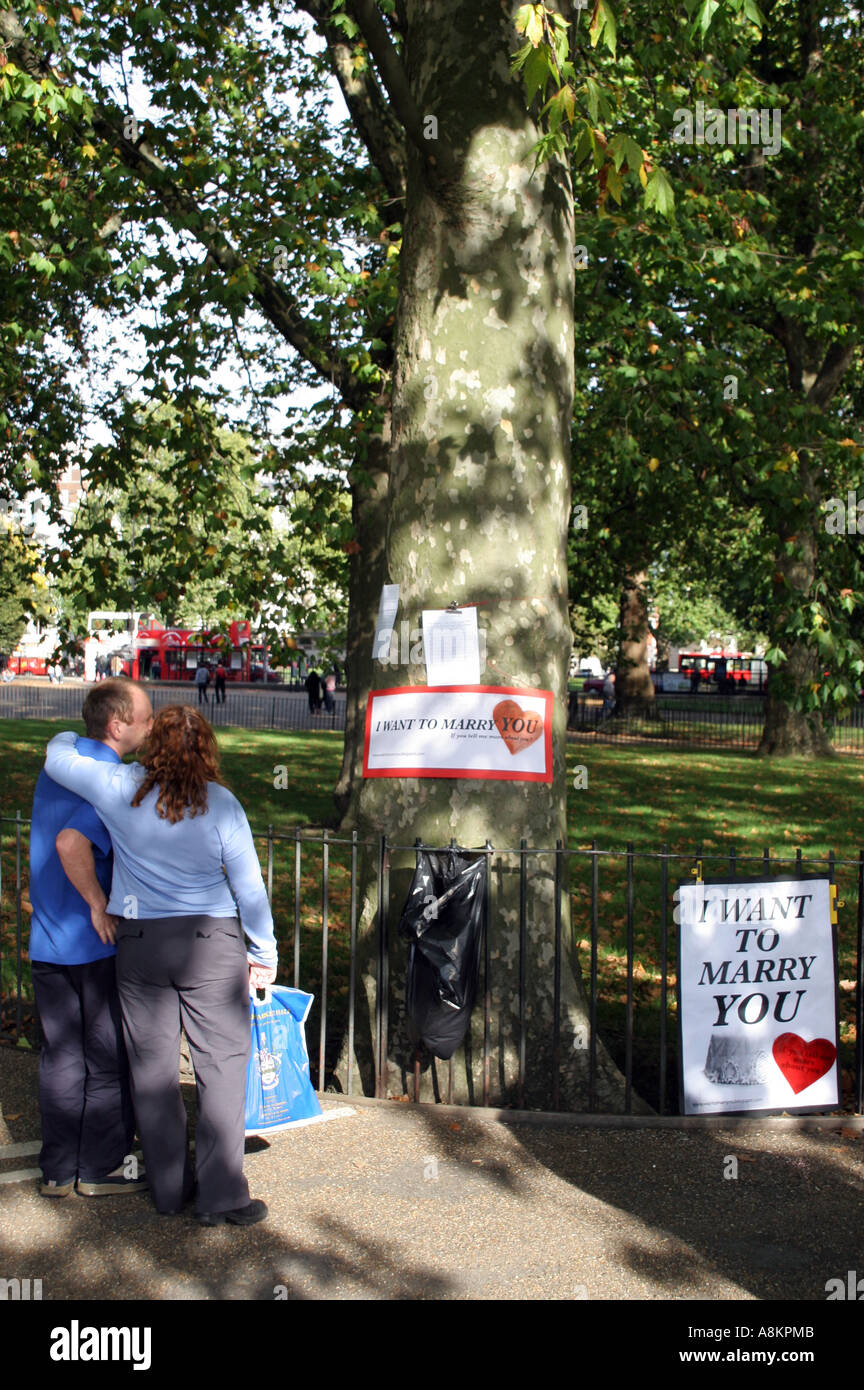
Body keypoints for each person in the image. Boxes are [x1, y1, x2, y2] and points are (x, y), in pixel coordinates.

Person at [44, 703, 278, 1226]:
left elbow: (57, 758)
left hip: (141, 942)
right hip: (211, 942)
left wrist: (68, 732)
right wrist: (263, 954)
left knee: (152, 1071)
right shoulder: (221, 804)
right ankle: (222, 1197)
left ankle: (169, 1190)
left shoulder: (120, 787)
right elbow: (250, 890)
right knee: (220, 1066)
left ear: (152, 746)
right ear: (208, 749)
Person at [29, 679, 152, 1200]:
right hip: (92, 939)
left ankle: (58, 1169)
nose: (151, 725)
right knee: (105, 1057)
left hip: (49, 936)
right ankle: (101, 1167)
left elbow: (49, 833)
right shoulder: (108, 781)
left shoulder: (62, 758)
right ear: (117, 724)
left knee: (60, 1054)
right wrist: (98, 904)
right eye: (145, 717)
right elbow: (70, 841)